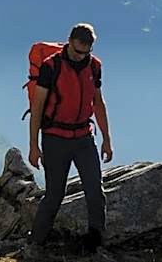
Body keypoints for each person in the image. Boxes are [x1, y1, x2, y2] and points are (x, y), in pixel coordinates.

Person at [27, 23, 113, 255]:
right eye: (77, 51)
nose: (81, 57)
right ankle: (36, 243)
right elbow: (37, 107)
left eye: (86, 52)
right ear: (69, 41)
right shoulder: (50, 66)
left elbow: (98, 103)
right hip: (55, 138)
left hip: (84, 137)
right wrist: (34, 146)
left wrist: (107, 139)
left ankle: (95, 243)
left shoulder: (94, 66)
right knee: (55, 194)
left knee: (95, 190)